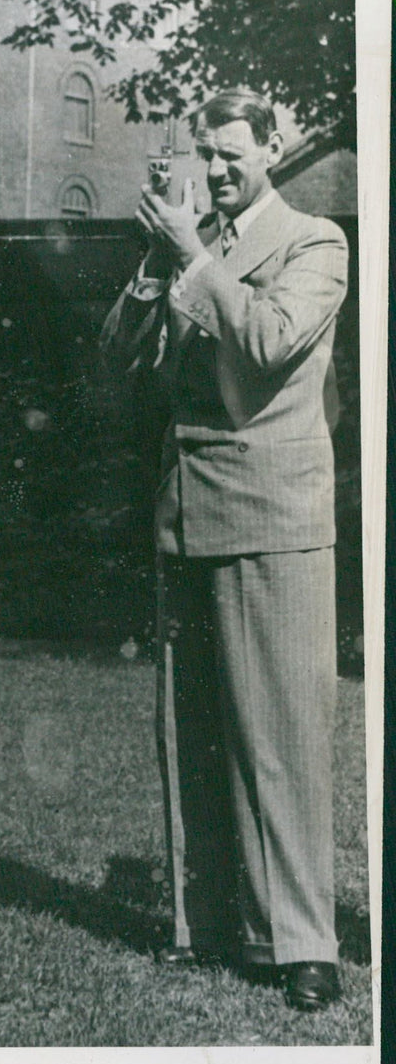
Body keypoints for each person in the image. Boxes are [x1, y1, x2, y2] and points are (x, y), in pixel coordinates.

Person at [100, 88, 349, 1012]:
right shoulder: (190, 248)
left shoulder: (317, 241)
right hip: (188, 507)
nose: (215, 170)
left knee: (281, 734)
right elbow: (118, 367)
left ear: (274, 148)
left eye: (232, 154)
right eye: (205, 154)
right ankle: (202, 926)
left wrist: (193, 257)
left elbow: (270, 340)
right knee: (192, 730)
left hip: (275, 510)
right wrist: (146, 277)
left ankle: (301, 943)